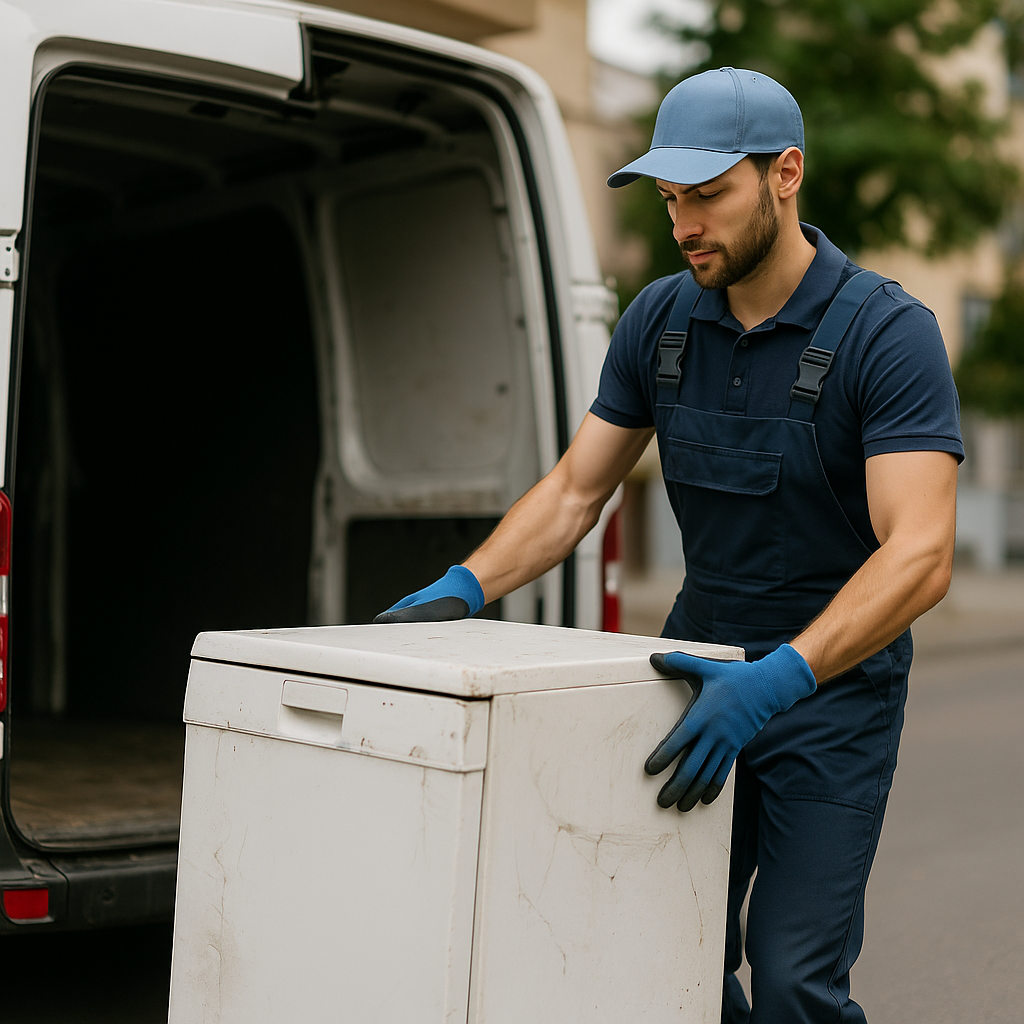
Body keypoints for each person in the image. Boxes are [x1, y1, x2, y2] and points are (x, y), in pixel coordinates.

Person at [376, 67, 962, 1024]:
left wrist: (779, 679)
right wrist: (461, 588)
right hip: (697, 677)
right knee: (663, 953)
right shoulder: (661, 320)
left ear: (786, 174)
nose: (685, 223)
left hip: (832, 696)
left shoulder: (887, 335)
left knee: (790, 983)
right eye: (669, 198)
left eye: (709, 194)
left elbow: (921, 553)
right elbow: (575, 491)